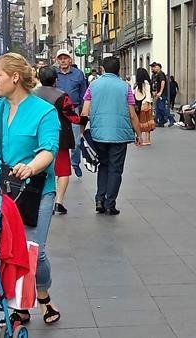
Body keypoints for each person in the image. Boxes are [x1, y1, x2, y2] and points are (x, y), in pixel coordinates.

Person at [0, 52, 62, 325]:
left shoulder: (44, 111)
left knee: (33, 249)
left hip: (34, 190)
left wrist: (31, 167)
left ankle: (41, 295)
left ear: (15, 77)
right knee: (1, 249)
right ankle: (19, 303)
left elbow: (49, 150)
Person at [81, 57, 142, 215]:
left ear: (102, 69)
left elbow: (84, 111)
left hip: (98, 134)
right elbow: (133, 113)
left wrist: (82, 131)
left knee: (103, 165)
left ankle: (99, 199)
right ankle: (110, 203)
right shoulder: (125, 87)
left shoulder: (93, 85)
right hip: (119, 136)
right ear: (119, 69)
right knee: (116, 169)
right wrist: (139, 133)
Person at [34, 66, 88, 215]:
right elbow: (72, 117)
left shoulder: (32, 95)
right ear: (55, 80)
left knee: (39, 168)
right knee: (63, 171)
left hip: (37, 137)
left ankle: (39, 199)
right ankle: (58, 202)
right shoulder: (62, 95)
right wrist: (85, 119)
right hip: (60, 137)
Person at [55, 49, 87, 178]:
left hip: (73, 109)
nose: (63, 60)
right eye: (60, 58)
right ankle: (57, 166)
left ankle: (75, 163)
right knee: (57, 140)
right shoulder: (54, 74)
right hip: (57, 110)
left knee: (77, 142)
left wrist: (83, 111)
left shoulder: (78, 74)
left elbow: (83, 93)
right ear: (57, 60)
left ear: (70, 60)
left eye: (65, 58)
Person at [150, 62, 175, 127]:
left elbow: (163, 82)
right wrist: (154, 91)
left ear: (159, 67)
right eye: (152, 67)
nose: (153, 68)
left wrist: (160, 92)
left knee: (161, 107)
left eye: (154, 67)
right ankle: (161, 121)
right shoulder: (154, 75)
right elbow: (154, 84)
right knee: (158, 108)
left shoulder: (161, 74)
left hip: (162, 94)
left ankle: (171, 118)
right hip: (157, 94)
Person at [134, 68, 154, 145]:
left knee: (145, 121)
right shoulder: (140, 83)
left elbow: (148, 93)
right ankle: (142, 138)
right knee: (142, 121)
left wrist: (147, 103)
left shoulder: (145, 83)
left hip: (144, 103)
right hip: (142, 103)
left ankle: (147, 139)